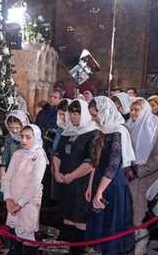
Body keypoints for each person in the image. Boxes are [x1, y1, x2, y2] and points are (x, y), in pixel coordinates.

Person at [86, 97, 135, 255]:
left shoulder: (118, 131)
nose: (93, 119)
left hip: (112, 185)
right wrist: (90, 187)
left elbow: (113, 166)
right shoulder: (103, 131)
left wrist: (99, 191)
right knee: (99, 228)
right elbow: (96, 162)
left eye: (95, 115)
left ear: (105, 112)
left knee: (111, 229)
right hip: (100, 182)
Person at [52, 100, 98, 254]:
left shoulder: (93, 133)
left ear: (83, 113)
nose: (72, 116)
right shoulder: (68, 131)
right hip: (65, 182)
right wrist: (56, 172)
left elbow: (91, 162)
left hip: (81, 184)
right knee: (67, 218)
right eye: (70, 113)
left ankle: (79, 251)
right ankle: (70, 250)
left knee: (79, 219)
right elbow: (57, 154)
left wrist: (71, 176)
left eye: (76, 113)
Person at [125, 99, 158, 255]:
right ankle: (129, 243)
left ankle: (141, 245)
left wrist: (139, 171)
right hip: (128, 176)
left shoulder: (156, 129)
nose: (134, 113)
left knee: (141, 213)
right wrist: (127, 168)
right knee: (129, 211)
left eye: (137, 110)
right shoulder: (128, 126)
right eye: (132, 110)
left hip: (145, 178)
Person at [1, 124, 48, 255]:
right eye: (22, 137)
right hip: (12, 202)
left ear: (36, 138)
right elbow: (8, 178)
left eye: (28, 137)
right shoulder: (17, 154)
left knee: (27, 238)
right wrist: (8, 199)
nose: (24, 140)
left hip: (28, 204)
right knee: (14, 237)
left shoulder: (39, 156)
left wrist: (20, 204)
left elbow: (34, 184)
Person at [0, 110, 31, 179]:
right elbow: (6, 154)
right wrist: (3, 170)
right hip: (11, 170)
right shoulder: (9, 137)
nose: (14, 131)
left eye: (17, 128)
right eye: (11, 128)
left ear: (23, 125)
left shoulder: (30, 137)